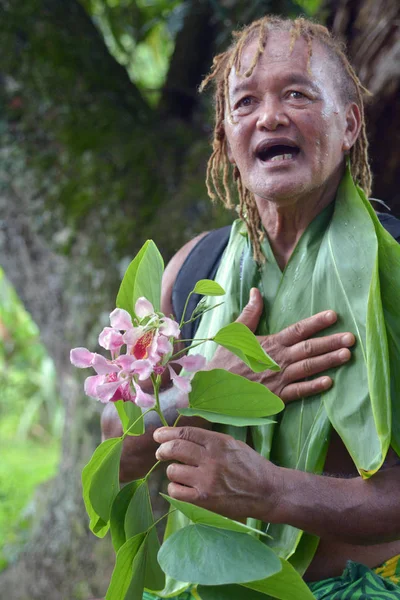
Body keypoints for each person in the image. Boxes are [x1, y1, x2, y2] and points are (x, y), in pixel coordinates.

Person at [102, 16, 400, 599]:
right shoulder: (192, 271)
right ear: (226, 137)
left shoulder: (393, 268)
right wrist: (205, 388)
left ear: (350, 124)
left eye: (297, 94)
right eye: (245, 102)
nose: (269, 116)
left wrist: (271, 491)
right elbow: (116, 450)